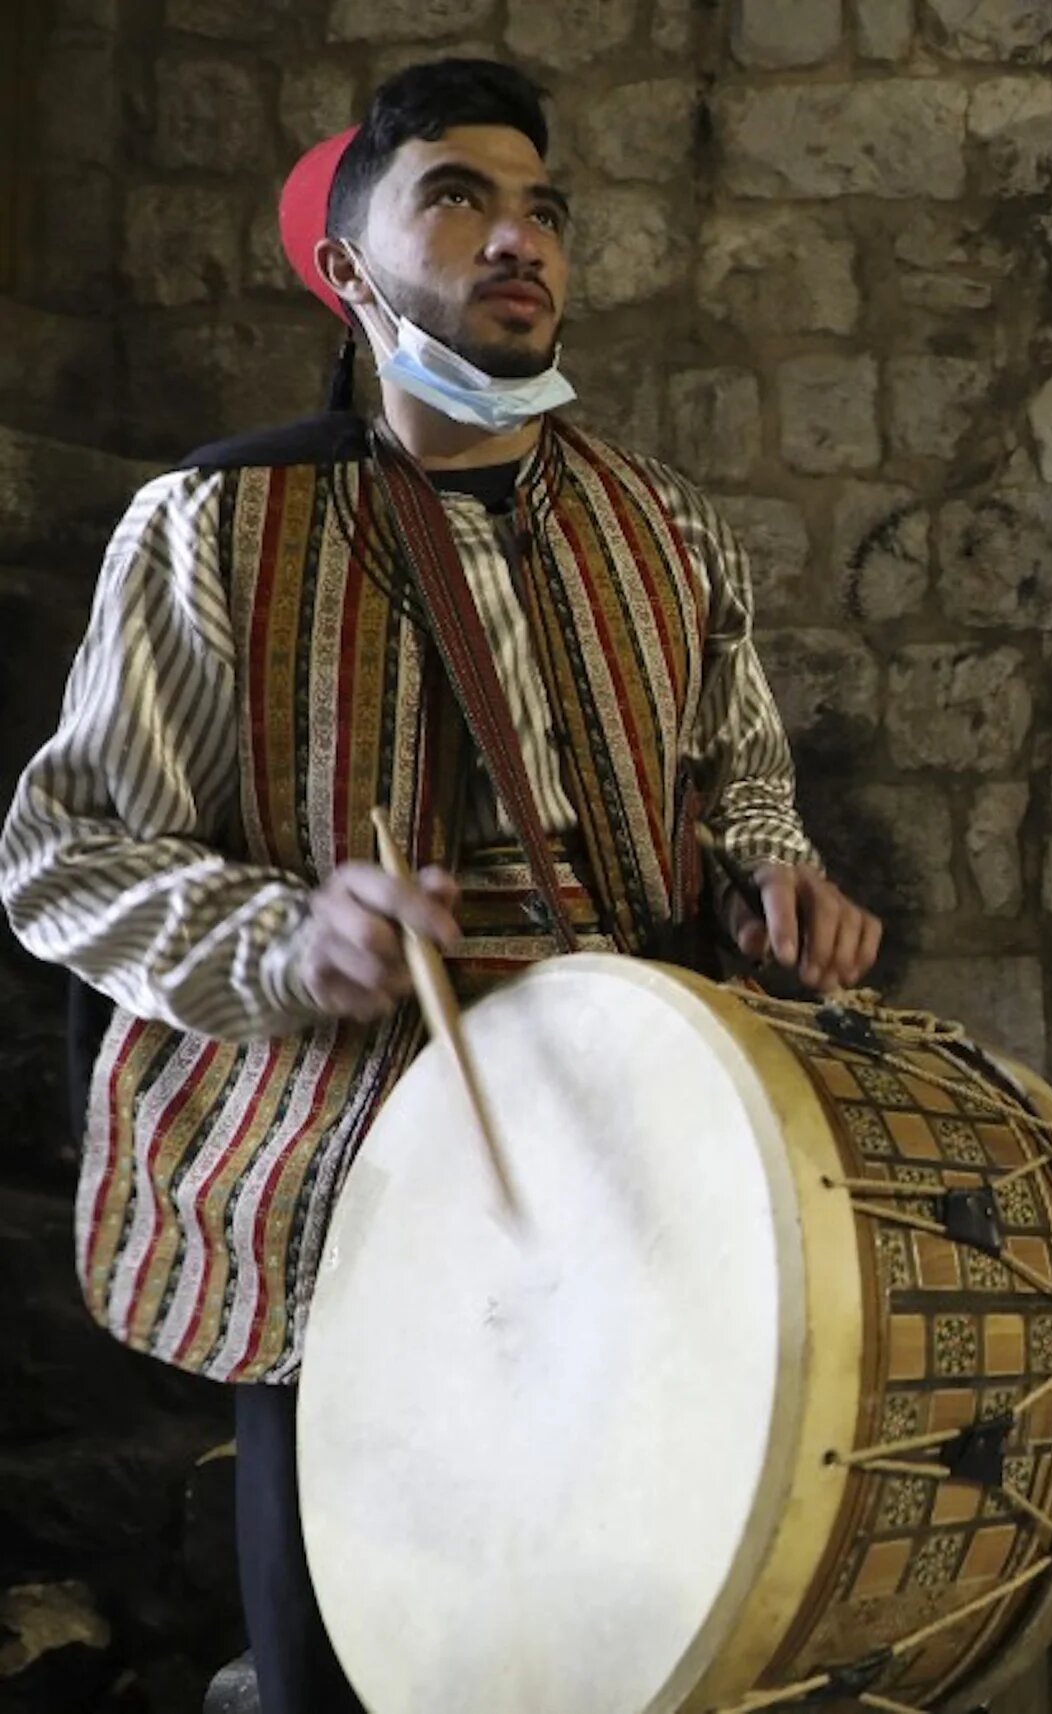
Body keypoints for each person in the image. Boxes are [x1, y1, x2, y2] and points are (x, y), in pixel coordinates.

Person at [0, 59, 879, 1713]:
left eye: (541, 208)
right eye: (456, 199)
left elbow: (740, 778)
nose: (514, 238)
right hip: (358, 1211)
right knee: (366, 1670)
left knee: (642, 1651)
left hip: (632, 1190)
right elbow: (64, 857)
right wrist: (293, 934)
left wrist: (772, 876)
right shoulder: (213, 522)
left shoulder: (665, 524)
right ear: (348, 266)